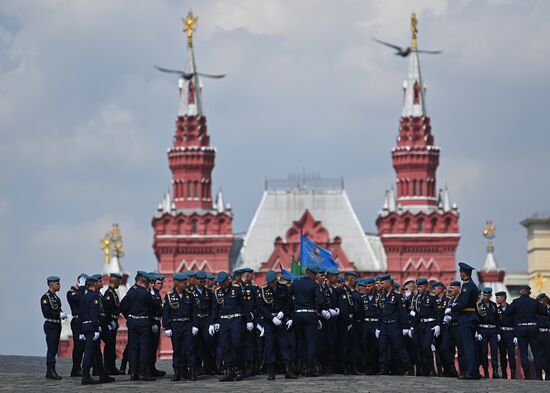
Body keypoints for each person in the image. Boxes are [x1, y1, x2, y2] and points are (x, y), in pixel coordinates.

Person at [211, 271, 253, 382]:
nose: (221, 285)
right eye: (220, 283)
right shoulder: (218, 292)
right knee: (225, 346)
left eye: (223, 282)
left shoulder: (236, 289)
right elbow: (215, 309)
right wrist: (213, 322)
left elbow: (245, 305)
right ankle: (229, 370)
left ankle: (238, 369)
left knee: (236, 344)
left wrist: (249, 320)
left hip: (236, 319)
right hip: (224, 320)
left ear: (228, 280)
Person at [120, 272, 160, 381]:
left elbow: (122, 306)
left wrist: (129, 316)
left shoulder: (131, 292)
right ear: (145, 283)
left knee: (133, 347)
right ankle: (143, 372)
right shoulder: (146, 294)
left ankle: (133, 372)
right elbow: (155, 306)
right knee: (144, 347)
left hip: (132, 321)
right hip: (143, 322)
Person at [257, 269, 296, 380]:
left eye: (272, 282)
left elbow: (288, 302)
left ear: (276, 280)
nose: (271, 284)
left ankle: (288, 371)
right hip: (269, 321)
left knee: (284, 344)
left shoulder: (283, 288)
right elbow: (261, 307)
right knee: (270, 346)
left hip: (280, 318)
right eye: (269, 283)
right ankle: (271, 372)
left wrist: (282, 312)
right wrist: (271, 317)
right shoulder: (263, 290)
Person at [504, 284, 548, 380]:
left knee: (523, 353)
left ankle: (527, 375)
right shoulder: (534, 302)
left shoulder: (516, 302)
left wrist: (516, 318)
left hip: (521, 328)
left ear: (520, 292)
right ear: (529, 292)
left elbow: (506, 313)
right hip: (533, 327)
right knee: (536, 353)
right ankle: (539, 375)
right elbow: (544, 311)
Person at [289, 265, 326, 377]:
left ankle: (299, 366)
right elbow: (320, 301)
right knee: (311, 342)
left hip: (298, 314)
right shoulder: (314, 285)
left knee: (300, 341)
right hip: (310, 314)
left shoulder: (296, 283)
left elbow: (288, 296)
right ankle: (311, 368)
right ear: (313, 274)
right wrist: (317, 310)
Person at [162, 272, 198, 381]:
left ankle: (192, 372)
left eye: (186, 282)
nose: (186, 284)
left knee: (190, 349)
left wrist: (195, 325)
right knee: (177, 350)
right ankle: (177, 372)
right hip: (175, 325)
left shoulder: (189, 295)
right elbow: (166, 313)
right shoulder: (169, 296)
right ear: (176, 283)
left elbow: (194, 312)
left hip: (187, 325)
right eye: (183, 283)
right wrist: (167, 327)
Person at [447, 262, 480, 379]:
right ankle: (474, 371)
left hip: (466, 318)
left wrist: (452, 308)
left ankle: (471, 372)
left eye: (460, 272)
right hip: (470, 317)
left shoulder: (467, 286)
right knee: (471, 345)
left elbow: (463, 303)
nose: (460, 274)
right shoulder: (472, 285)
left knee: (468, 346)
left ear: (463, 273)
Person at [377, 274, 410, 375]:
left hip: (394, 326)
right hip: (384, 326)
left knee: (398, 347)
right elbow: (380, 312)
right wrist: (378, 327)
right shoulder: (382, 296)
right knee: (383, 347)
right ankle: (384, 368)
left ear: (388, 283)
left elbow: (403, 312)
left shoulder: (397, 295)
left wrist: (405, 327)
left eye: (382, 283)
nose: (381, 285)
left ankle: (406, 367)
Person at [409, 277, 439, 376]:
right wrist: (412, 326)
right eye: (418, 287)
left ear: (426, 286)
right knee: (420, 348)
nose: (419, 289)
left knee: (426, 347)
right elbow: (417, 313)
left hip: (430, 325)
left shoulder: (432, 297)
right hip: (420, 325)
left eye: (421, 287)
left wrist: (438, 325)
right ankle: (424, 370)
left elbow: (438, 312)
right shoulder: (417, 298)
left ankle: (431, 369)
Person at [41, 275, 67, 380]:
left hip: (57, 324)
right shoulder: (46, 298)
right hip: (51, 324)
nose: (59, 285)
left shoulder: (56, 298)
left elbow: (58, 309)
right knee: (51, 348)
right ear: (51, 285)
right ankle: (50, 371)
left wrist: (61, 314)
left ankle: (52, 370)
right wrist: (58, 315)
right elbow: (46, 312)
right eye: (57, 284)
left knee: (55, 348)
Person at [191, 270, 216, 375]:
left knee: (208, 343)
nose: (202, 283)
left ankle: (207, 366)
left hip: (206, 320)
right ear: (196, 280)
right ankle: (197, 367)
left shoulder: (209, 293)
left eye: (203, 281)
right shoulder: (191, 293)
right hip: (196, 320)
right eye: (200, 281)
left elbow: (213, 308)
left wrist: (211, 323)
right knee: (196, 344)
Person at [476, 287, 500, 378]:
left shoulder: (493, 305)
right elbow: (476, 319)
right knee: (484, 352)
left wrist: (498, 332)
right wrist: (477, 332)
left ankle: (495, 371)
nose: (486, 297)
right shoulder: (478, 305)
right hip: (483, 330)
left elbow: (497, 319)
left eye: (487, 295)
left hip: (493, 330)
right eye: (484, 295)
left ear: (490, 295)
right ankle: (486, 371)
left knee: (494, 351)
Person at [358, 277, 380, 375]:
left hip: (375, 323)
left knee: (375, 346)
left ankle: (376, 367)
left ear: (374, 286)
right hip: (366, 323)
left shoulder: (379, 297)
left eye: (369, 286)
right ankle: (367, 367)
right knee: (366, 346)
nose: (367, 288)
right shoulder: (363, 298)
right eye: (366, 286)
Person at [440, 281, 462, 377]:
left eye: (453, 288)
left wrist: (453, 318)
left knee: (461, 350)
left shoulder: (461, 300)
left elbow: (463, 314)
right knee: (444, 348)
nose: (450, 290)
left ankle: (464, 371)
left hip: (459, 326)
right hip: (450, 327)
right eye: (450, 288)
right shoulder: (451, 300)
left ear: (458, 289)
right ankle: (451, 368)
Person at [66, 274, 87, 377]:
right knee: (78, 345)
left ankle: (79, 367)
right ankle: (76, 368)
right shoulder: (71, 293)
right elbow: (80, 299)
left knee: (82, 346)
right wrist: (82, 287)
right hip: (77, 321)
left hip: (83, 321)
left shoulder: (81, 292)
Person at [102, 273, 122, 375]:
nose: (120, 283)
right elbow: (107, 309)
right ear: (115, 281)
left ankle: (112, 366)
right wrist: (109, 322)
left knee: (112, 345)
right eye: (119, 281)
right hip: (110, 321)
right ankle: (108, 367)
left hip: (114, 320)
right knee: (109, 345)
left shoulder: (113, 292)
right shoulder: (109, 293)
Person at [148, 273, 166, 377]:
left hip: (156, 322)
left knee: (154, 346)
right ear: (153, 284)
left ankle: (152, 367)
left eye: (161, 283)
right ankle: (148, 369)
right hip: (151, 323)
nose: (160, 285)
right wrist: (152, 323)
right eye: (158, 283)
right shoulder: (150, 294)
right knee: (149, 347)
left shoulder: (157, 294)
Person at [496, 290, 516, 379]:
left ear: (503, 298)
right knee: (502, 354)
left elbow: (515, 322)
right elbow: (495, 322)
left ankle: (513, 373)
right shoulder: (496, 310)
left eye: (498, 298)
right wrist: (497, 333)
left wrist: (516, 335)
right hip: (501, 333)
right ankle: (504, 373)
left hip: (510, 333)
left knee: (511, 354)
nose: (496, 299)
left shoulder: (511, 309)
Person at [536, 293, 550, 380]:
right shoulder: (537, 311)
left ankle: (548, 373)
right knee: (540, 355)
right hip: (539, 333)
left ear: (544, 300)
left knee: (548, 355)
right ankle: (543, 372)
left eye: (540, 301)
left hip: (547, 334)